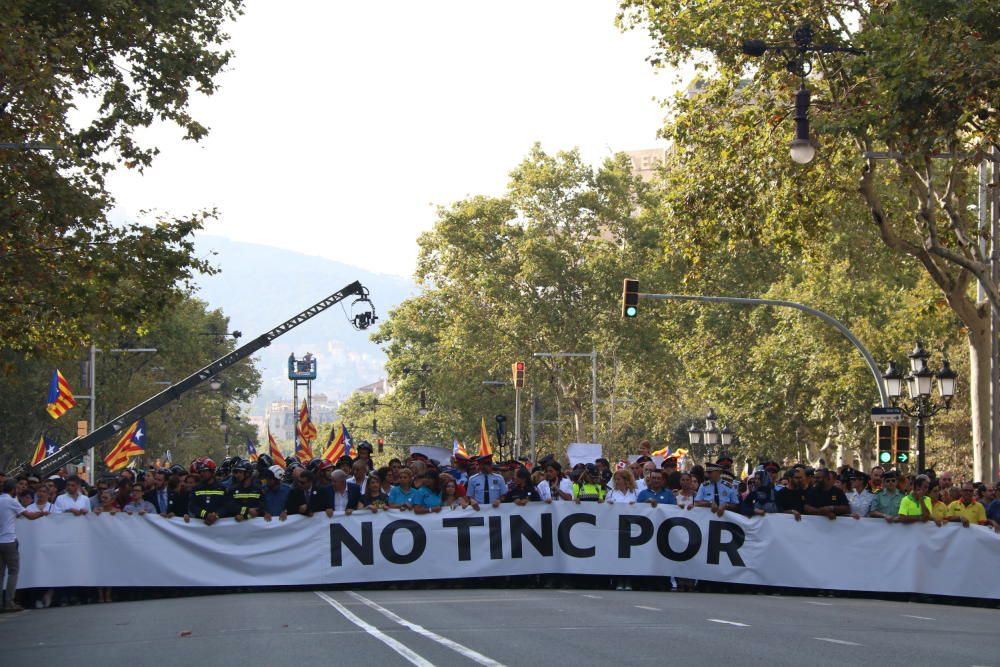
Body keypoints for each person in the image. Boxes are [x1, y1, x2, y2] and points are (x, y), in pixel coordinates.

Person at [1, 479, 27, 612]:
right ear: (13, 490)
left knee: (1, 573)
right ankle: (9, 602)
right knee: (13, 571)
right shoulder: (12, 502)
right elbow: (28, 515)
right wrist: (41, 513)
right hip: (9, 540)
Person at [185, 457, 228, 525]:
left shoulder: (222, 488)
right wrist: (205, 515)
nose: (202, 473)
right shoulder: (196, 488)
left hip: (219, 525)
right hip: (200, 525)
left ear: (212, 471)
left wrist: (216, 515)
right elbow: (192, 506)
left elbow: (226, 506)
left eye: (204, 471)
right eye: (200, 471)